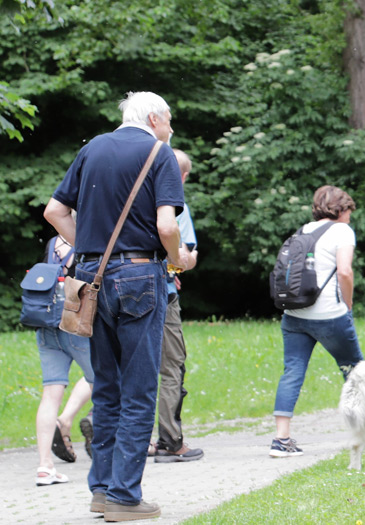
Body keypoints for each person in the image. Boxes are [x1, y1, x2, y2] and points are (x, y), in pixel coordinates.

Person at [44, 91, 192, 521]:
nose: (171, 128)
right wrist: (178, 257)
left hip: (89, 279)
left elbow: (55, 210)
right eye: (169, 120)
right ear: (152, 118)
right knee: (140, 389)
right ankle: (125, 499)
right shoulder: (158, 153)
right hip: (139, 277)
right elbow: (167, 224)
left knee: (106, 389)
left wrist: (89, 248)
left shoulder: (92, 148)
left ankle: (102, 492)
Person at [272, 185, 363, 458]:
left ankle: (281, 439)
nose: (349, 216)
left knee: (292, 371)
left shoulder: (303, 230)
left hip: (294, 314)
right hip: (329, 315)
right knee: (355, 370)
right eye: (348, 210)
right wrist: (348, 303)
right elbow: (345, 271)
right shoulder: (342, 231)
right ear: (341, 209)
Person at [148, 149, 203, 463]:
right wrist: (181, 265)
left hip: (119, 287)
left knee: (126, 362)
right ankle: (170, 441)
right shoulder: (174, 203)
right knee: (172, 366)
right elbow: (182, 256)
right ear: (180, 176)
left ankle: (106, 424)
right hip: (162, 293)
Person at [33, 234, 94, 486]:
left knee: (50, 394)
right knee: (105, 378)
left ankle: (45, 466)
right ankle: (106, 449)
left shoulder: (52, 243)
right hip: (74, 323)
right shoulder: (86, 241)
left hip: (46, 325)